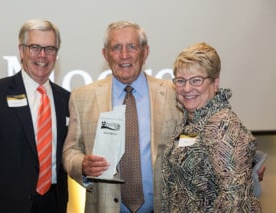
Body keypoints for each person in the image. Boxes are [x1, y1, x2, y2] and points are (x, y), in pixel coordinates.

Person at [62, 21, 182, 213]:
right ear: (105, 54)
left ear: (145, 51)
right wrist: (82, 165)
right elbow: (70, 152)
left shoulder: (172, 93)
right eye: (116, 47)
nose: (124, 55)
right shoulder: (82, 97)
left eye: (132, 47)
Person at [0, 19, 70, 213]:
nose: (43, 55)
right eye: (35, 47)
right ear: (21, 51)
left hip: (53, 205)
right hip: (5, 205)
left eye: (50, 49)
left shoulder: (66, 100)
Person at [161, 42, 262, 212]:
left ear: (215, 83)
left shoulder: (221, 125)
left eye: (196, 80)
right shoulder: (192, 121)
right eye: (181, 80)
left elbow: (234, 200)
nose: (186, 88)